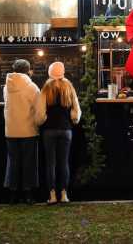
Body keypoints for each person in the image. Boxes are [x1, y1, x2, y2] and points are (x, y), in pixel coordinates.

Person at [35, 62, 81, 205]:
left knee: (50, 163)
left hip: (49, 130)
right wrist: (73, 119)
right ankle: (64, 194)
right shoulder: (69, 87)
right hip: (66, 130)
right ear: (63, 72)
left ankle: (52, 195)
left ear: (49, 73)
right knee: (64, 163)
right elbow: (76, 111)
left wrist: (42, 121)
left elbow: (40, 115)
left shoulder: (46, 88)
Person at [3, 59, 40, 204]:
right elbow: (39, 110)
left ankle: (13, 195)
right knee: (28, 162)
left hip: (11, 130)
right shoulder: (32, 87)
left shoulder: (6, 86)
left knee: (13, 162)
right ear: (28, 70)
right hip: (28, 130)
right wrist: (38, 123)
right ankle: (28, 195)